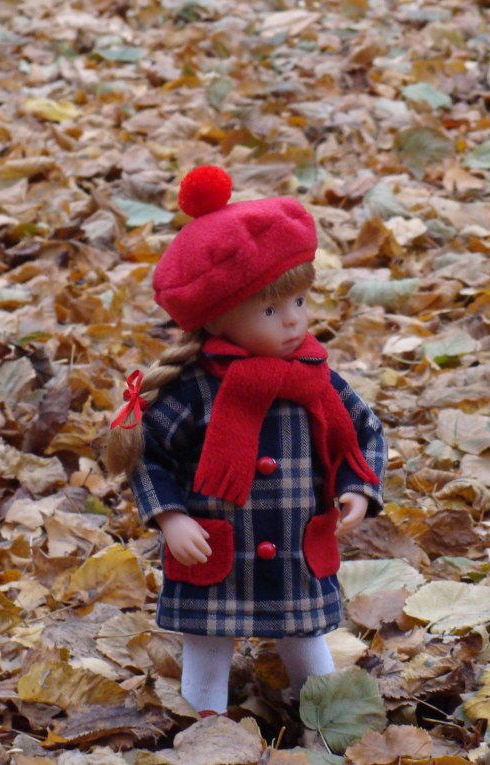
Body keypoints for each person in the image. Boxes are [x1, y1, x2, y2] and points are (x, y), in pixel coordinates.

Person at [106, 165, 387, 717]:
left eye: (299, 302)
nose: (292, 322)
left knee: (307, 644)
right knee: (206, 652)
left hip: (294, 549)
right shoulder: (194, 389)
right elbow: (148, 456)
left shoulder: (315, 377)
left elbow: (364, 431)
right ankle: (202, 728)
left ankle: (322, 719)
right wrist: (170, 517)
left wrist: (358, 485)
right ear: (218, 320)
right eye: (270, 310)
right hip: (218, 551)